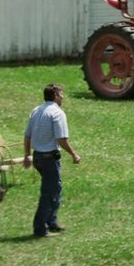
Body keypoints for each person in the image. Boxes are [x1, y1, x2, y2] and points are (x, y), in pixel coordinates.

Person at [23, 83, 81, 238]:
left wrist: (27, 155)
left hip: (37, 158)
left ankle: (52, 221)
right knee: (49, 193)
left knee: (56, 188)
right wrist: (74, 154)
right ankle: (40, 228)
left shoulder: (36, 110)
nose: (63, 97)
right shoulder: (57, 113)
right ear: (55, 95)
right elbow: (61, 140)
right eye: (61, 94)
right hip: (49, 159)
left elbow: (27, 135)